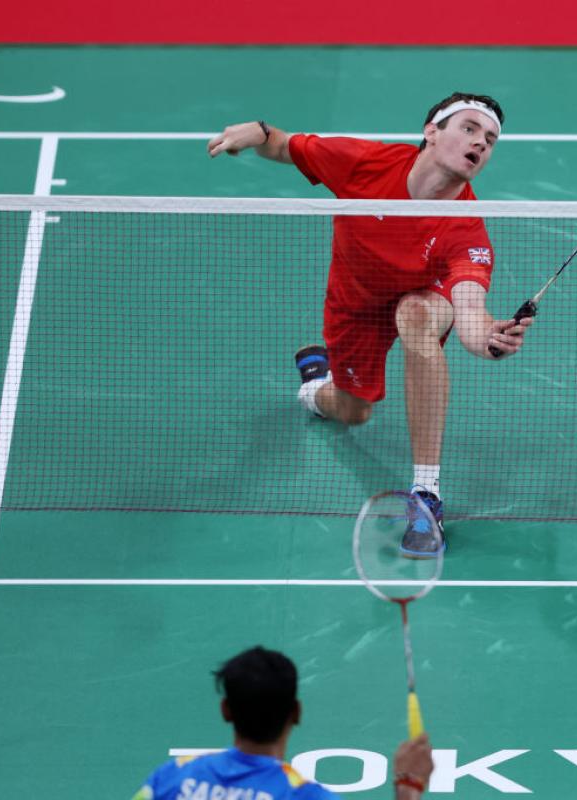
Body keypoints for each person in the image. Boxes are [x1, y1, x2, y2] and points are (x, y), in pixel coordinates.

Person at [207, 93, 532, 558]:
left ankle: (426, 493)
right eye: (469, 128)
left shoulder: (467, 230)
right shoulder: (364, 163)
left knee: (416, 318)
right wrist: (257, 132)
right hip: (355, 304)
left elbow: (471, 317)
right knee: (353, 411)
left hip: (422, 297)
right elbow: (283, 145)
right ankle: (316, 386)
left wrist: (491, 340)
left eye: (491, 139)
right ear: (431, 131)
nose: (480, 142)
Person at [133, 646, 434, 800]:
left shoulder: (170, 777)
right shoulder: (305, 796)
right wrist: (409, 786)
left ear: (225, 710)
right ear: (297, 713)